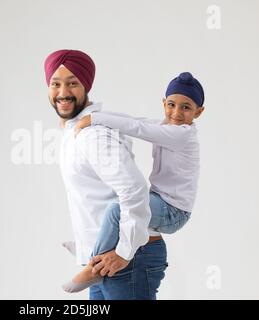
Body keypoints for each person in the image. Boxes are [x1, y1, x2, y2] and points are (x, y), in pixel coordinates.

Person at [62, 72, 205, 293]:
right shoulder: (167, 126)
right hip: (160, 200)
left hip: (174, 211)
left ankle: (92, 264)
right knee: (119, 210)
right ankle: (89, 249)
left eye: (186, 107)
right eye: (171, 104)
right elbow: (136, 121)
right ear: (163, 103)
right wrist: (93, 116)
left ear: (199, 112)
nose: (176, 112)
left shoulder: (182, 135)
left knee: (117, 210)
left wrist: (95, 119)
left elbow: (139, 129)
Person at [45, 49, 167, 300]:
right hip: (105, 259)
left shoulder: (93, 134)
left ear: (86, 85)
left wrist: (123, 251)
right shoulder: (75, 131)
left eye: (72, 83)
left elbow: (133, 189)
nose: (63, 92)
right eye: (55, 84)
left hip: (127, 257)